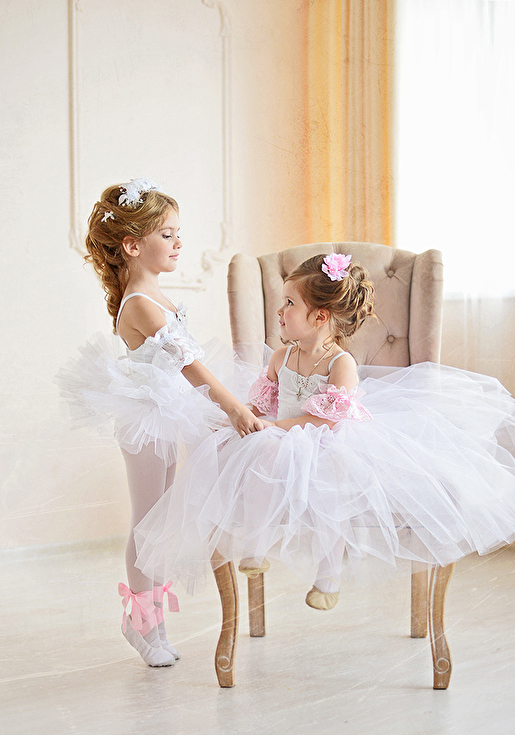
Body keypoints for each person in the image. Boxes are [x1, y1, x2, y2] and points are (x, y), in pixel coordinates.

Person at [133, 252, 515, 612]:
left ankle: (329, 572)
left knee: (334, 478)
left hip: (327, 441)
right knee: (259, 451)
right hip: (282, 433)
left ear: (319, 317)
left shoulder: (341, 364)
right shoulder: (281, 356)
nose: (279, 311)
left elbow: (327, 422)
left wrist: (273, 426)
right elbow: (263, 404)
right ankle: (256, 542)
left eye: (289, 303)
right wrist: (241, 417)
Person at [56, 178, 263, 667]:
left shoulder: (155, 296)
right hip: (148, 416)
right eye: (167, 234)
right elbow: (190, 364)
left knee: (161, 520)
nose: (178, 242)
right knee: (148, 520)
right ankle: (140, 623)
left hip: (170, 410)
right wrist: (232, 407)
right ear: (132, 246)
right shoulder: (140, 304)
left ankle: (155, 622)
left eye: (177, 233)